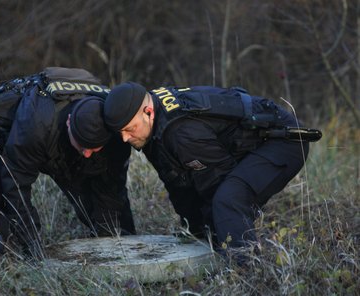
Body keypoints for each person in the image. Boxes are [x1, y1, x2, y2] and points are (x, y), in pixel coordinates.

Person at [104, 82, 319, 261]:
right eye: (120, 132)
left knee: (228, 199)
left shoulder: (180, 133)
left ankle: (246, 272)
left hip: (283, 142)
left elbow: (216, 183)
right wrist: (196, 231)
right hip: (243, 144)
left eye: (129, 129)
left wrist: (219, 237)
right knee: (211, 214)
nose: (124, 138)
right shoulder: (153, 125)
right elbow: (179, 185)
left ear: (148, 112)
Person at [0, 68, 136, 256]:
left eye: (94, 148)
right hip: (4, 134)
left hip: (62, 139)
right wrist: (31, 245)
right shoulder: (36, 127)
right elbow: (15, 186)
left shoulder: (117, 135)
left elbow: (112, 190)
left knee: (104, 209)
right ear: (68, 124)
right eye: (83, 147)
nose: (87, 154)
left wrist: (113, 238)